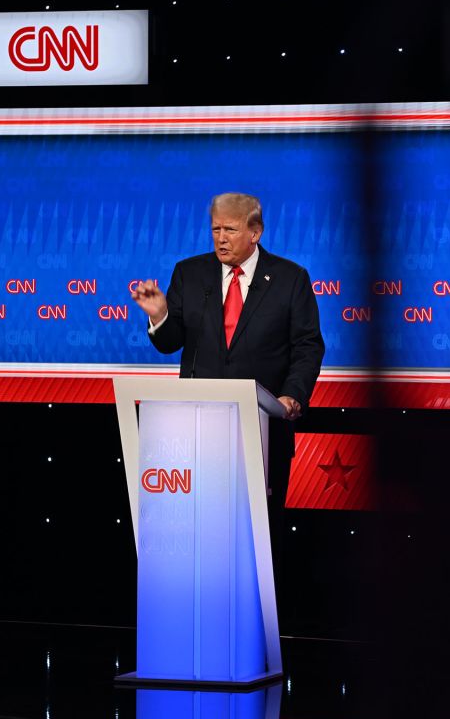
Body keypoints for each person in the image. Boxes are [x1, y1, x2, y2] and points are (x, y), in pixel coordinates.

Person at [130, 192, 324, 559]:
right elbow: (171, 343)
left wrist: (292, 395)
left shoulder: (290, 278)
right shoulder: (189, 273)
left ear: (255, 233)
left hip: (263, 427)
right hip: (198, 430)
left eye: (231, 230)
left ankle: (260, 613)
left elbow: (307, 346)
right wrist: (159, 316)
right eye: (216, 229)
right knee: (200, 534)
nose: (221, 238)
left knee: (258, 539)